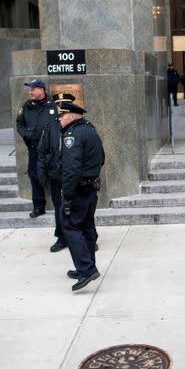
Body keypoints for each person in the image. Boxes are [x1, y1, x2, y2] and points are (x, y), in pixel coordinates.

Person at [57, 100, 105, 291]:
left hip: (77, 189)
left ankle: (86, 269)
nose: (59, 119)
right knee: (86, 226)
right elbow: (102, 158)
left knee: (69, 225)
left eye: (61, 116)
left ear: (72, 115)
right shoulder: (90, 130)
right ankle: (87, 266)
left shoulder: (72, 134)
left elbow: (71, 168)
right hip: (90, 188)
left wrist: (67, 194)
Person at [37, 93, 73, 253]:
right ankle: (62, 237)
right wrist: (42, 173)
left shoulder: (78, 125)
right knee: (59, 207)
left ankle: (87, 237)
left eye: (63, 105)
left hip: (73, 176)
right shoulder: (51, 127)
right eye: (58, 105)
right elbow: (42, 152)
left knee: (79, 207)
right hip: (56, 176)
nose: (60, 109)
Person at [16, 78, 55, 218]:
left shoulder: (53, 105)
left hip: (51, 149)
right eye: (30, 89)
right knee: (34, 175)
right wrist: (27, 134)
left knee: (55, 175)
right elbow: (19, 123)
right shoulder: (27, 106)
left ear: (41, 90)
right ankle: (38, 206)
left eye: (33, 89)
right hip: (34, 148)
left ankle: (59, 204)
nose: (30, 92)